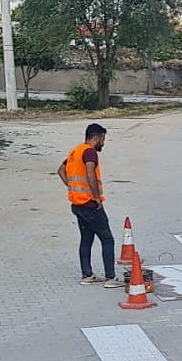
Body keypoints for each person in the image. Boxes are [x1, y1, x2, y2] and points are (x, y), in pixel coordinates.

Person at [57, 123, 123, 287]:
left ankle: (87, 275)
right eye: (103, 139)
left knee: (86, 240)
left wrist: (72, 188)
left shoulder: (75, 151)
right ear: (96, 137)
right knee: (107, 239)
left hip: (77, 204)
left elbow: (60, 170)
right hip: (89, 204)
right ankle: (110, 278)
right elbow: (90, 174)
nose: (103, 143)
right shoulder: (90, 152)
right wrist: (96, 197)